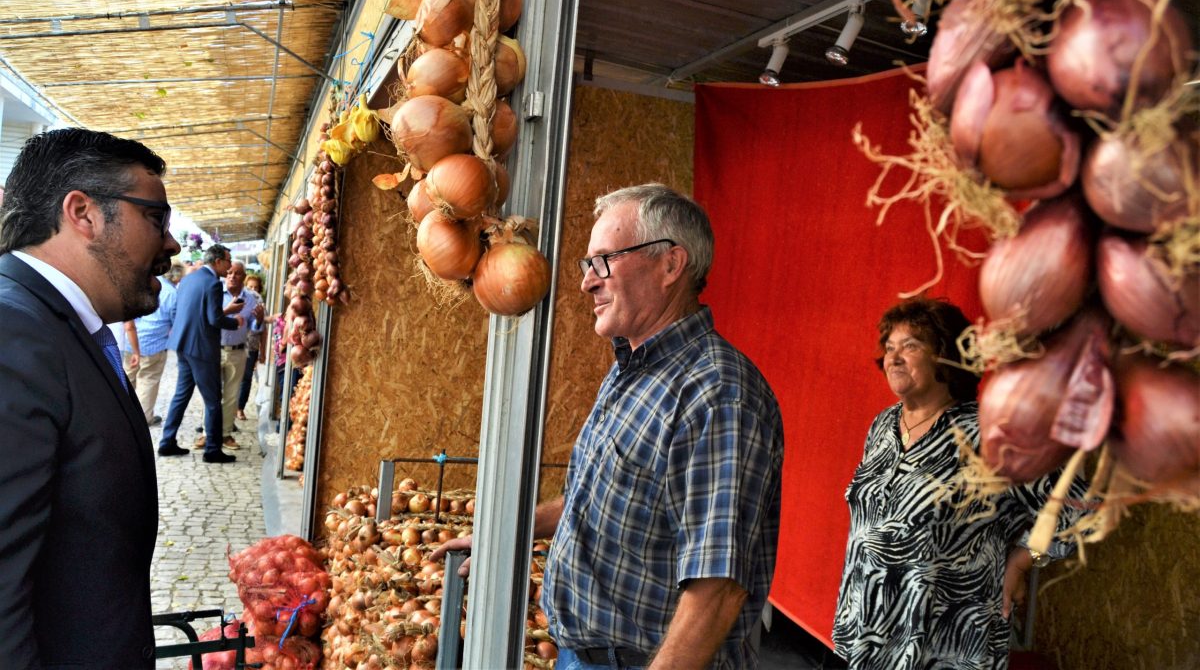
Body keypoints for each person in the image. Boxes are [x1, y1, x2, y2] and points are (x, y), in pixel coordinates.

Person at [434, 184, 785, 669]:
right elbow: (605, 496)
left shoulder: (718, 395)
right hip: (582, 655)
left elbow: (717, 589)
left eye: (604, 261)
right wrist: (511, 531)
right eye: (588, 265)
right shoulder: (633, 367)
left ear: (670, 265)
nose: (586, 283)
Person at [0, 127, 180, 667]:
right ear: (83, 213)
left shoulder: (63, 326)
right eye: (156, 217)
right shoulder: (13, 331)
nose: (171, 243)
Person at [833, 298, 1083, 670]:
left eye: (911, 346)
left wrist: (1021, 561)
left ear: (945, 357)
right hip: (867, 638)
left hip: (945, 646)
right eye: (889, 348)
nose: (893, 358)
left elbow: (1077, 505)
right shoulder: (883, 426)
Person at [158, 243, 245, 463]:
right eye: (227, 260)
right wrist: (234, 321)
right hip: (201, 347)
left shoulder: (189, 278)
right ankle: (213, 450)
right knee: (213, 399)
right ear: (217, 262)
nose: (229, 265)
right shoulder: (213, 283)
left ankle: (167, 442)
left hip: (183, 343)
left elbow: (186, 311)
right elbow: (214, 318)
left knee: (181, 394)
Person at [209, 260, 262, 449]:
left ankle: (225, 435)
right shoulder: (215, 292)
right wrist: (227, 311)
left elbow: (255, 327)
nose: (232, 276)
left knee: (231, 396)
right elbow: (209, 319)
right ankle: (208, 434)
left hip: (238, 351)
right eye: (229, 272)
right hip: (214, 350)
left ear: (244, 277)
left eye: (237, 273)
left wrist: (260, 320)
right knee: (212, 395)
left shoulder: (251, 299)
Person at [125, 261, 185, 425]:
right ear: (177, 276)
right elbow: (176, 320)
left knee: (127, 380)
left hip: (132, 340)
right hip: (155, 344)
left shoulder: (145, 284)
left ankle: (122, 416)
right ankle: (144, 419)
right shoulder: (172, 294)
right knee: (148, 381)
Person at [236, 272, 266, 420]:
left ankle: (240, 408)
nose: (253, 289)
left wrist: (263, 351)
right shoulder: (238, 299)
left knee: (246, 378)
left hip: (251, 346)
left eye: (256, 287)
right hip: (235, 343)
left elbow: (262, 330)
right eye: (250, 286)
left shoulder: (259, 302)